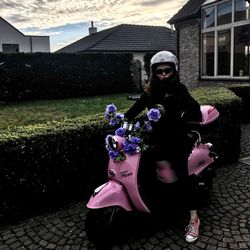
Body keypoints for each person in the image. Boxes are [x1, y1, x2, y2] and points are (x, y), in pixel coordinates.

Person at [124, 51, 202, 243]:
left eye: (167, 70)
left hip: (176, 140)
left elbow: (195, 108)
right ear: (154, 72)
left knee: (183, 177)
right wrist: (124, 118)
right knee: (147, 171)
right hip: (156, 140)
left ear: (174, 71)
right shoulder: (151, 89)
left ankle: (194, 218)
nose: (164, 74)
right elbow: (139, 105)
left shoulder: (179, 88)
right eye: (160, 71)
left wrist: (177, 100)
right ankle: (160, 207)